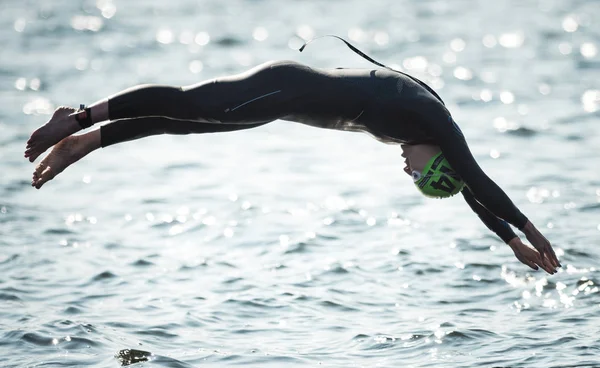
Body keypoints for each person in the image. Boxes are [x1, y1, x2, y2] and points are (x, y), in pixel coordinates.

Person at [23, 40, 561, 275]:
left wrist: (509, 240)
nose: (408, 173)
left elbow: (470, 192)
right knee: (190, 104)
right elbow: (478, 182)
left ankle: (85, 143)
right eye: (421, 176)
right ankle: (78, 117)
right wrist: (531, 232)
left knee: (183, 123)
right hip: (283, 87)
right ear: (436, 161)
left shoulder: (424, 134)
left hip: (279, 105)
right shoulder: (435, 123)